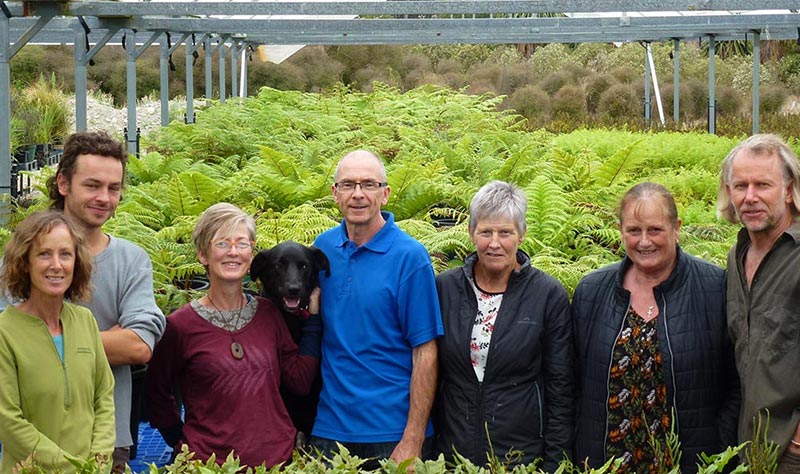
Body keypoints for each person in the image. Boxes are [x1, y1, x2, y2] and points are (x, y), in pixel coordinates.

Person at [0, 131, 166, 471]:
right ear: (63, 183)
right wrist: (98, 342)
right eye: (92, 185)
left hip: (106, 443)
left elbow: (138, 346)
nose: (104, 197)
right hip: (30, 445)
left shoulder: (131, 261)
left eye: (114, 188)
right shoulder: (17, 260)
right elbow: (9, 341)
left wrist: (52, 346)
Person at [573, 182, 739, 473]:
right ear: (621, 230)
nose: (644, 241)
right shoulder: (591, 292)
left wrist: (716, 449)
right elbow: (572, 384)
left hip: (687, 463)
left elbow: (737, 383)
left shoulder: (714, 288)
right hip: (607, 463)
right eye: (634, 230)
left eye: (655, 229)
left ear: (676, 227)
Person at [146, 203, 321, 467]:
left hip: (277, 463)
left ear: (252, 255)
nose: (233, 252)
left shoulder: (269, 314)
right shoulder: (180, 326)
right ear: (203, 254)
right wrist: (182, 442)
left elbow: (299, 380)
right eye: (222, 243)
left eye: (242, 244)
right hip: (209, 465)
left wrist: (315, 320)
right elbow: (156, 393)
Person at [311, 150, 443, 468]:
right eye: (348, 185)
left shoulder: (410, 258)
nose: (358, 194)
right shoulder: (322, 250)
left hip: (392, 433)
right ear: (334, 193)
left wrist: (412, 439)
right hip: (330, 429)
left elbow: (425, 352)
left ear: (385, 194)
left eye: (369, 184)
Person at [433, 181, 574, 471]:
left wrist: (555, 461)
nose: (494, 243)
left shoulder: (547, 295)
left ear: (521, 235)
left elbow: (561, 387)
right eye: (485, 232)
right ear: (472, 234)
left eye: (505, 232)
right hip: (452, 454)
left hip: (519, 456)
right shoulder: (444, 289)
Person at [0, 211, 115, 472]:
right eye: (44, 254)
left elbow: (104, 398)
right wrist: (73, 468)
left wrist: (99, 461)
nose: (56, 265)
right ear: (25, 262)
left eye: (65, 254)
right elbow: (8, 421)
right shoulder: (4, 331)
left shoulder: (85, 320)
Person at [717, 134, 800, 473]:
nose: (749, 197)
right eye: (740, 186)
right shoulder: (737, 256)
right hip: (748, 447)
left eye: (763, 185)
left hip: (791, 453)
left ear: (790, 189)